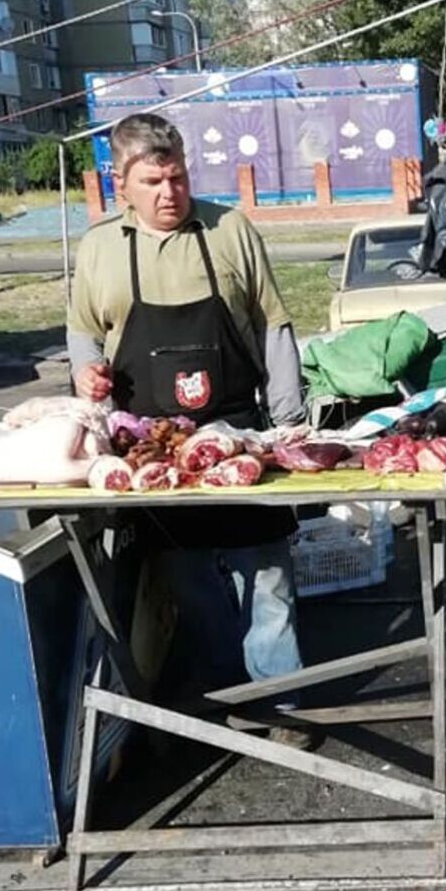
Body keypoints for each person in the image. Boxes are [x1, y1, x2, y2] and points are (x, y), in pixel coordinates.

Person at [67, 113, 311, 746]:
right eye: (153, 181)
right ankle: (225, 691)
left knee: (267, 574)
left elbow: (273, 326)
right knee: (187, 575)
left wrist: (288, 423)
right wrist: (86, 375)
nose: (170, 192)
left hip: (239, 435)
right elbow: (84, 335)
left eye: (177, 176)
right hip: (154, 454)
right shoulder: (98, 247)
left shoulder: (229, 229)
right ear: (120, 182)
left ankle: (279, 700)